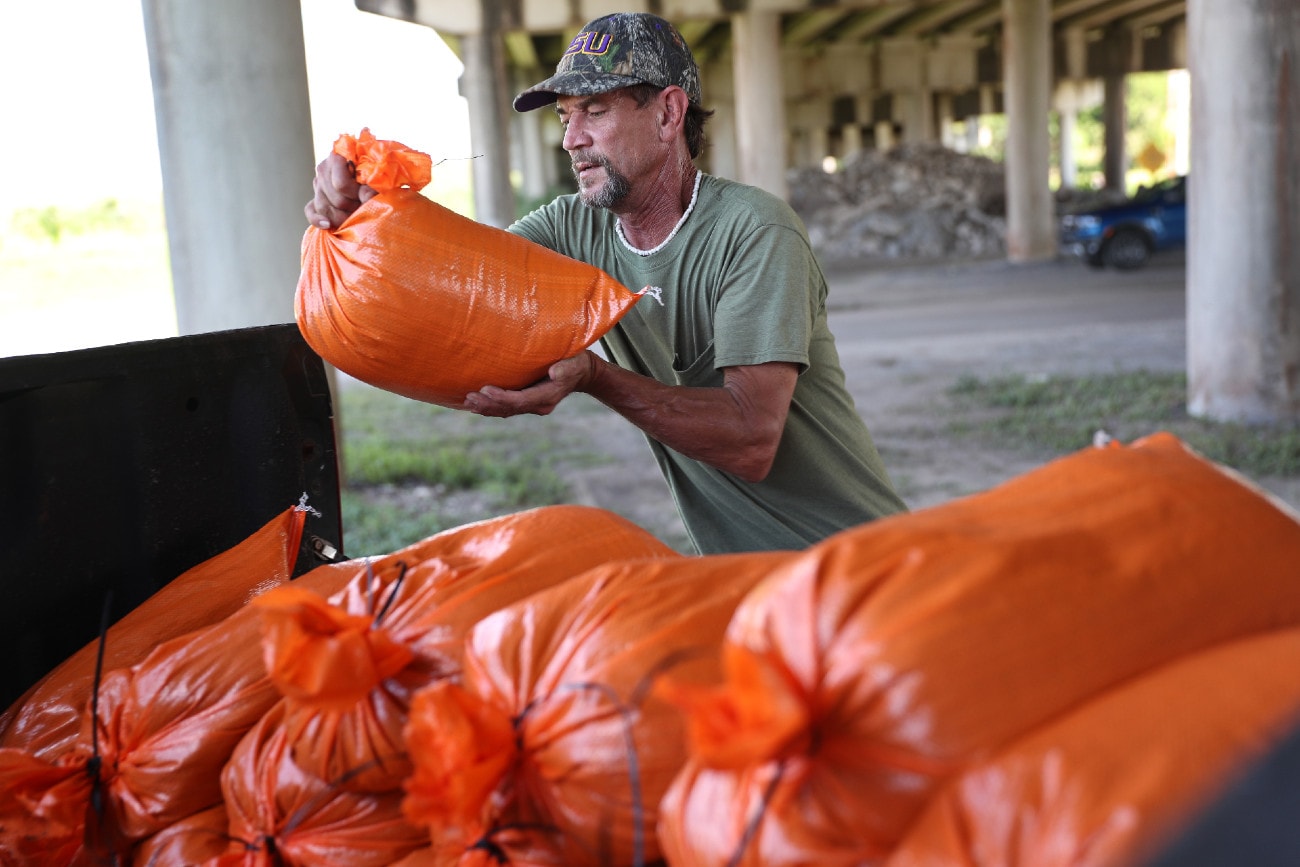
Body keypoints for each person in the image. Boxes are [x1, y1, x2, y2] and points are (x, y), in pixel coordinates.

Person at [306, 11, 908, 555]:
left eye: (594, 111)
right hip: (745, 582)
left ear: (668, 114)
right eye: (565, 117)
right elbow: (458, 284)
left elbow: (751, 440)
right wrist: (364, 214)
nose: (571, 139)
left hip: (863, 568)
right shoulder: (571, 227)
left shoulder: (753, 230)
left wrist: (598, 378)